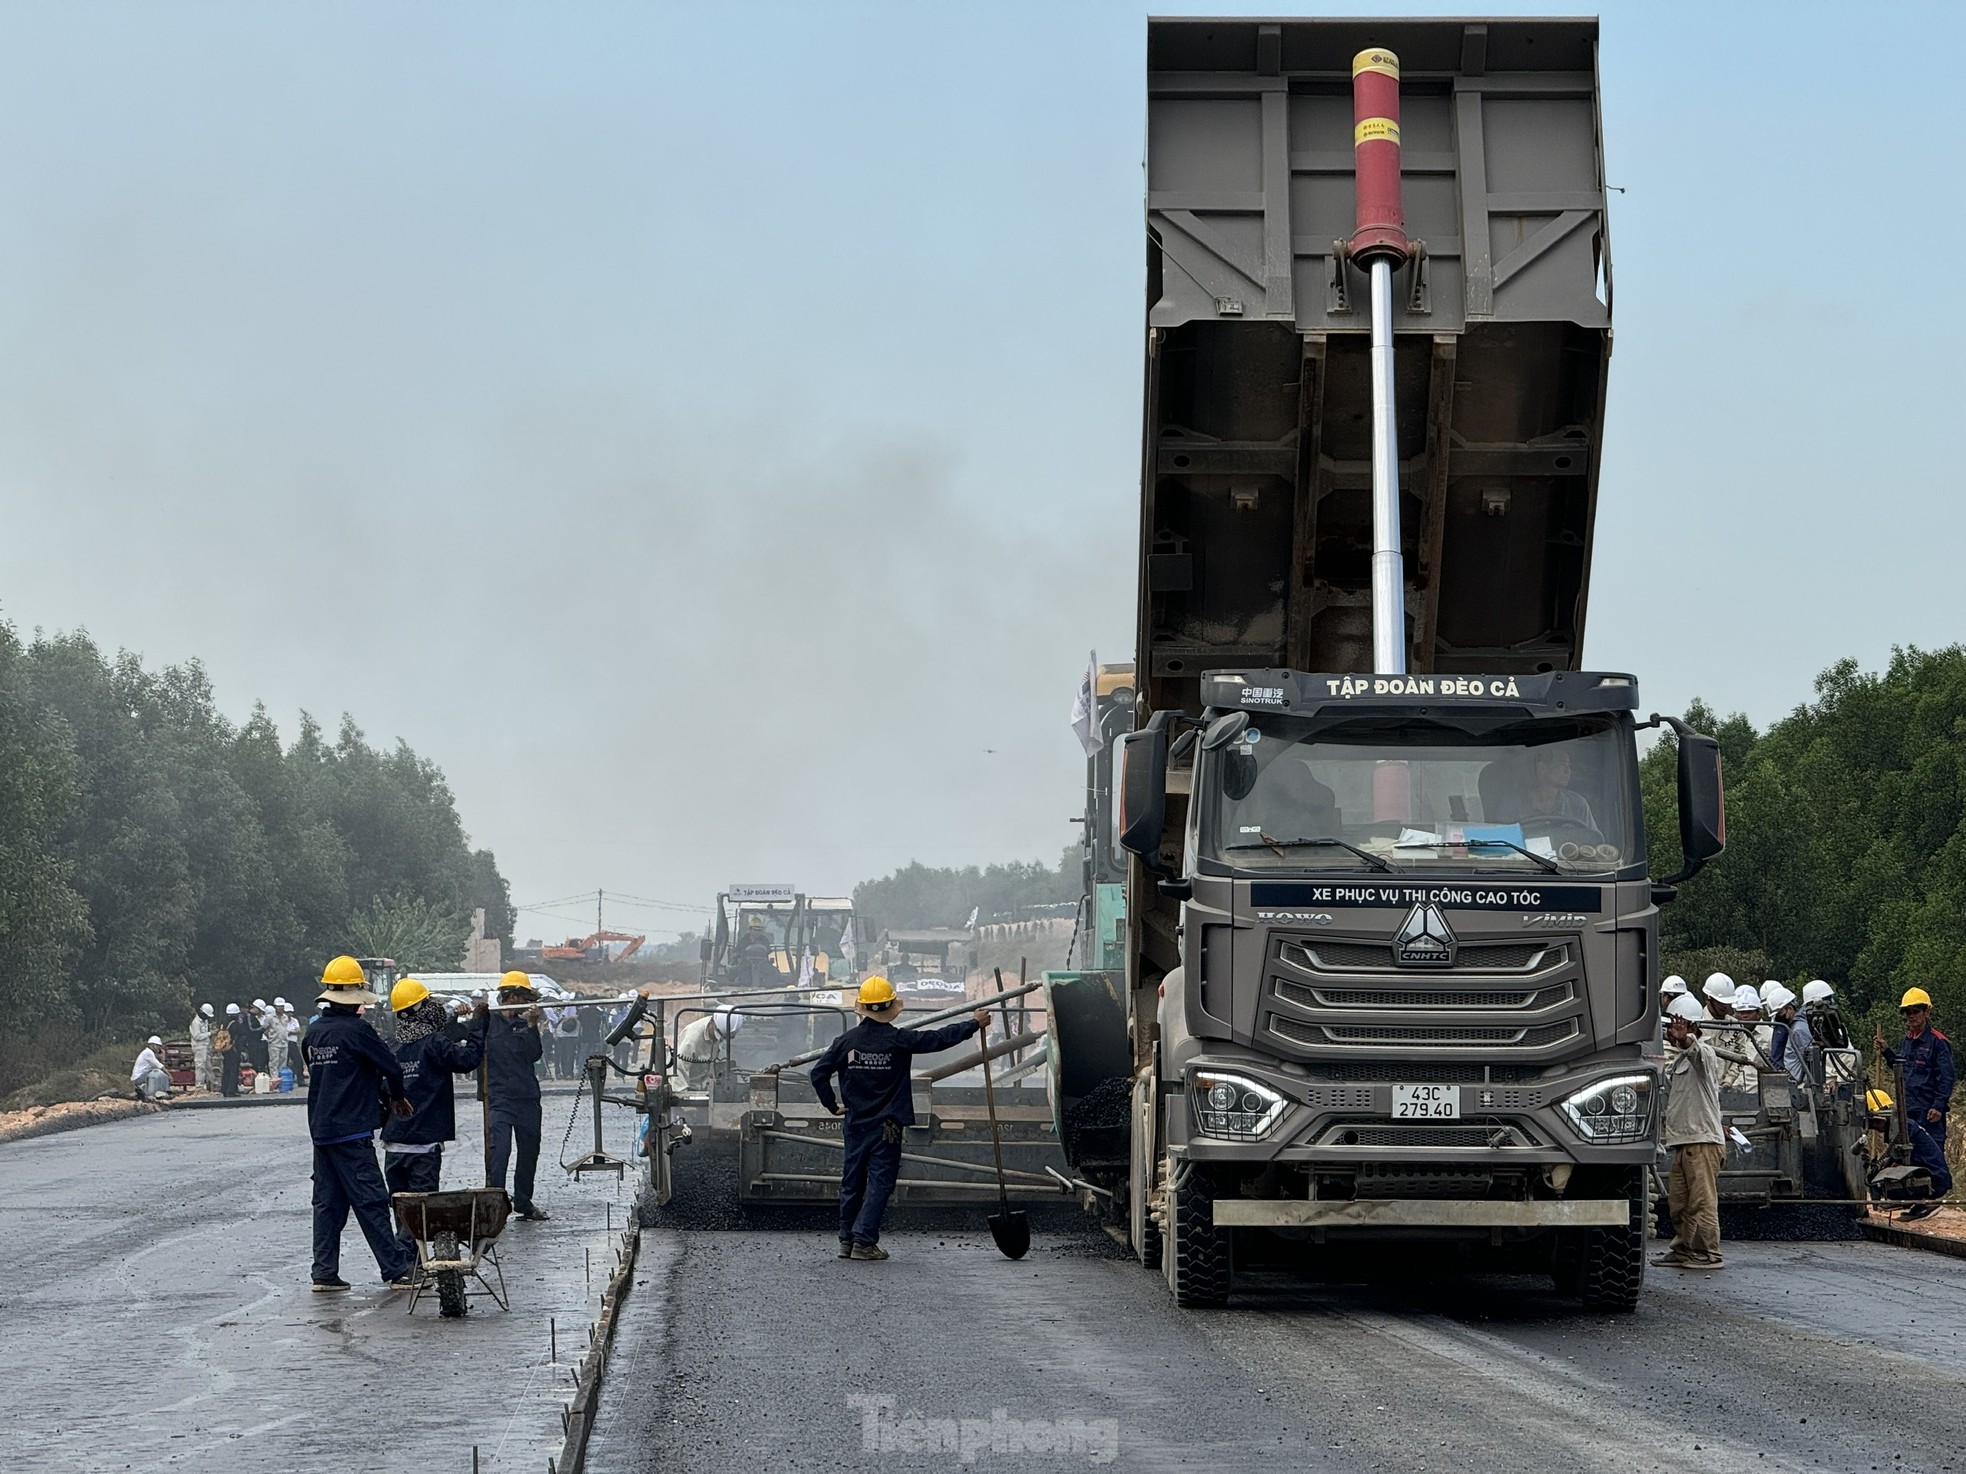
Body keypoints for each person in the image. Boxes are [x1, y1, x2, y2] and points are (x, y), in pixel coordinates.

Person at [810, 977, 989, 1262]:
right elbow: (938, 1039)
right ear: (891, 1006)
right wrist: (973, 1024)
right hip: (887, 1128)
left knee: (853, 1181)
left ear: (863, 1008)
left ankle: (847, 1239)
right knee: (880, 1184)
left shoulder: (846, 1042)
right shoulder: (898, 1040)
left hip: (855, 1124)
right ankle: (864, 1242)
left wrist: (832, 1105)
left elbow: (818, 1073)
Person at [302, 955, 416, 1292]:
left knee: (327, 1204)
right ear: (355, 997)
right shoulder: (357, 1031)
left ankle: (324, 1272)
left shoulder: (314, 1032)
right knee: (371, 1199)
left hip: (322, 1132)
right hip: (351, 1131)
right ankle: (396, 1269)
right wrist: (396, 1097)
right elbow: (392, 1068)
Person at [381, 977, 487, 1200]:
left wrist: (455, 1023)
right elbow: (467, 1059)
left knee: (402, 1210)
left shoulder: (392, 1044)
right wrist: (478, 1025)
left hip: (394, 1145)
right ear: (421, 1009)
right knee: (421, 1214)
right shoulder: (434, 1043)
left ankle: (401, 1237)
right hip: (424, 1145)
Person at [1653, 993, 1725, 1270]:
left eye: (1676, 1026)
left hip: (1702, 1142)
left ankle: (1710, 1253)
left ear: (1690, 1026)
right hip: (1684, 1142)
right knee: (1680, 1203)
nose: (1672, 1032)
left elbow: (1697, 1052)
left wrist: (1685, 1039)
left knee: (1702, 1202)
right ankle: (1684, 1250)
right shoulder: (1681, 1060)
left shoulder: (1704, 1052)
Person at [486, 971, 551, 1222]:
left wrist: (533, 1025)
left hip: (526, 1098)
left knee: (528, 1152)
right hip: (498, 1099)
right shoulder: (488, 1022)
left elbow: (534, 1054)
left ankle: (523, 1201)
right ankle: (494, 1204)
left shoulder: (525, 1024)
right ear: (511, 997)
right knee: (499, 1152)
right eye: (523, 997)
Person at [1883, 988, 1955, 1153]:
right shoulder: (1907, 1040)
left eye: (1916, 1011)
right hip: (1908, 1109)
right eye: (1908, 1012)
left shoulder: (1938, 1042)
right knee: (1907, 1156)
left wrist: (1938, 1105)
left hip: (1929, 1113)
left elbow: (1946, 1077)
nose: (1911, 1016)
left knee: (1932, 1158)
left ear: (1926, 1012)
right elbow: (1900, 1068)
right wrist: (1887, 1051)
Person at [674, 1008, 744, 1091]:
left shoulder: (718, 1034)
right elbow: (679, 1068)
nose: (717, 1039)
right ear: (712, 1022)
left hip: (704, 1088)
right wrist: (683, 1096)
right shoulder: (692, 1037)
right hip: (688, 1089)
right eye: (717, 1035)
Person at [1761, 983, 1799, 1081]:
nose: (1778, 1017)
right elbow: (1776, 1058)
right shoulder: (1781, 1028)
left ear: (1790, 1008)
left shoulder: (1797, 1028)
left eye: (1780, 1013)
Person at [733, 916, 775, 991]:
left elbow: (768, 952)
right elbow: (737, 952)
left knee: (774, 972)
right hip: (746, 963)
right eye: (755, 930)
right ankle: (745, 987)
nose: (757, 932)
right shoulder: (743, 940)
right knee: (739, 971)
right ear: (750, 929)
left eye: (759, 930)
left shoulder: (765, 941)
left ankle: (766, 989)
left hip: (762, 964)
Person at [132, 1036, 173, 1101]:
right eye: (158, 1046)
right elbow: (158, 1065)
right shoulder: (147, 1053)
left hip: (143, 1075)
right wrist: (169, 1075)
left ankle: (165, 1091)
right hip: (138, 1077)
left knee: (161, 1074)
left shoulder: (150, 1053)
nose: (159, 1048)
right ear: (152, 1045)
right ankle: (153, 1094)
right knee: (156, 1074)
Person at [217, 1003, 244, 1097]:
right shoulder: (235, 1024)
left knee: (226, 1069)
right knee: (234, 1070)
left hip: (224, 1048)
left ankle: (224, 1089)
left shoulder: (223, 1023)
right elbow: (241, 1033)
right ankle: (231, 1091)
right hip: (233, 1049)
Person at [189, 1004, 215, 1091]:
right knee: (200, 1066)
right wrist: (210, 1033)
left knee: (208, 1066)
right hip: (199, 1047)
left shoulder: (205, 1021)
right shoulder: (195, 1022)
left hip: (205, 1046)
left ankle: (213, 1085)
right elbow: (197, 1036)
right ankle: (199, 1086)